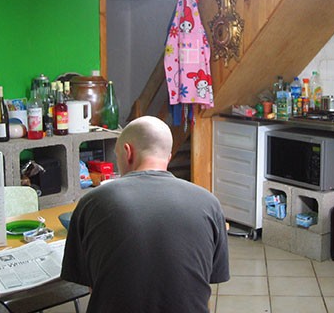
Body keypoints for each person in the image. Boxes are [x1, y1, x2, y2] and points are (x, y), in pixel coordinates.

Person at [61, 115, 230, 313]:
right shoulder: (209, 203)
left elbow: (93, 284)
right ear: (168, 157)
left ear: (128, 152)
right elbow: (206, 281)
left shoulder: (92, 202)